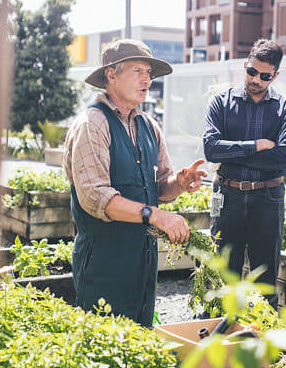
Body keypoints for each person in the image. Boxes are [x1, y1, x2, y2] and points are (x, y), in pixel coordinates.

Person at [64, 39, 207, 328]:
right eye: (137, 70)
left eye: (149, 73)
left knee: (139, 341)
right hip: (103, 262)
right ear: (111, 75)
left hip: (142, 262)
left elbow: (159, 186)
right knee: (102, 346)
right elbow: (95, 197)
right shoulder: (93, 124)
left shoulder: (148, 125)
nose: (146, 79)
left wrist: (179, 182)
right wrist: (154, 215)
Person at [203, 39, 286, 307]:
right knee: (222, 278)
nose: (256, 79)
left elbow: (281, 160)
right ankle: (217, 341)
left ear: (275, 76)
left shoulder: (285, 109)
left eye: (265, 76)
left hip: (267, 199)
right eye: (252, 72)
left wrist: (232, 153)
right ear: (245, 65)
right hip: (228, 196)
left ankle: (263, 345)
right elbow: (211, 150)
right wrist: (255, 146)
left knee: (265, 282)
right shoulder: (220, 103)